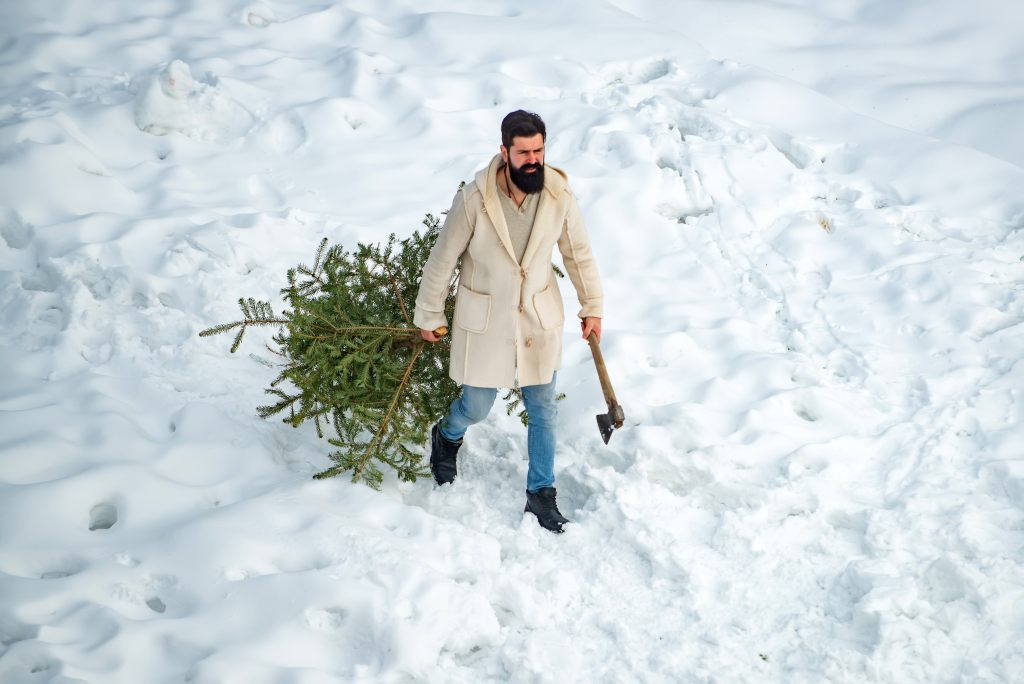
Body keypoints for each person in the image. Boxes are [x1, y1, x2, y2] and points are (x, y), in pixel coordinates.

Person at [413, 110, 604, 533]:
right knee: (476, 406)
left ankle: (541, 494)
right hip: (485, 318)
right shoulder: (474, 199)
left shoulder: (558, 194)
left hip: (537, 318)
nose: (534, 159)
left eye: (539, 150)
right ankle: (446, 435)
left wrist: (592, 306)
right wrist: (429, 313)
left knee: (543, 409)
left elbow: (578, 253)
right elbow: (442, 260)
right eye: (524, 152)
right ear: (504, 152)